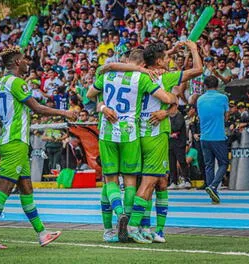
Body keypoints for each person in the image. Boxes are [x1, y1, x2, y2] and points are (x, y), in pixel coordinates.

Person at [98, 40, 202, 243]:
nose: (170, 60)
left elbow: (104, 77)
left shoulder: (135, 75)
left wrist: (169, 108)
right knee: (152, 182)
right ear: (159, 61)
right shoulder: (164, 76)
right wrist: (194, 49)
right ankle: (134, 225)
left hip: (135, 135)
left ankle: (141, 227)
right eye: (168, 57)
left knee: (150, 182)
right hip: (155, 135)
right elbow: (197, 70)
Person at [0, 47, 76, 249]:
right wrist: (64, 112)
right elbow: (37, 108)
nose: (26, 63)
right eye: (23, 60)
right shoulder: (17, 83)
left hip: (11, 140)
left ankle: (42, 233)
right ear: (16, 63)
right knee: (4, 187)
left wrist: (4, 123)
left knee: (26, 188)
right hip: (15, 143)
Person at [86, 48, 176, 243]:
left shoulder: (108, 75)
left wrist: (102, 106)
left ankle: (114, 223)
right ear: (144, 65)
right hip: (130, 134)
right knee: (130, 182)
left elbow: (90, 94)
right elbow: (167, 99)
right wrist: (173, 100)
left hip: (107, 132)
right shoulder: (142, 78)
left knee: (109, 181)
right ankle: (128, 225)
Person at [197, 75, 229, 204]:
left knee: (209, 165)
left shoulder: (200, 99)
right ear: (217, 85)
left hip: (204, 136)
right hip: (218, 136)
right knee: (224, 163)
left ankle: (213, 193)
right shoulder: (223, 98)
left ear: (205, 86)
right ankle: (213, 186)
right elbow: (226, 116)